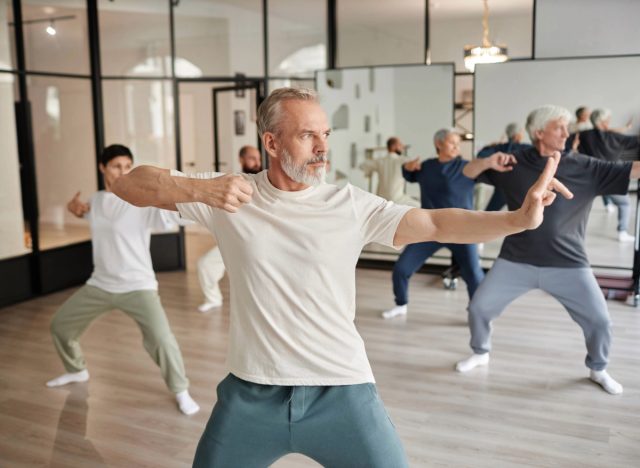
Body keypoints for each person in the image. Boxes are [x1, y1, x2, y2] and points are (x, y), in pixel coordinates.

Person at [112, 88, 570, 467]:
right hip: (250, 390)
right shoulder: (228, 195)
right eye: (308, 135)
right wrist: (199, 188)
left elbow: (433, 223)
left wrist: (516, 220)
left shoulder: (349, 204)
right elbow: (128, 184)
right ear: (271, 143)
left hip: (342, 388)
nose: (322, 147)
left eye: (325, 134)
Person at [456, 105, 640, 395]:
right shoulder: (512, 162)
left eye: (567, 127)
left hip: (568, 263)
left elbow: (633, 170)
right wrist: (488, 162)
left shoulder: (585, 166)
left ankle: (598, 368)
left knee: (600, 320)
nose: (567, 133)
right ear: (539, 132)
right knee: (478, 308)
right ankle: (480, 352)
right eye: (559, 127)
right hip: (515, 259)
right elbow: (467, 171)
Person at [46, 144, 200, 416]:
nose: (123, 171)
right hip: (101, 284)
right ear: (102, 167)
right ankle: (77, 370)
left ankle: (180, 390)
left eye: (128, 166)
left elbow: (172, 215)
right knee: (61, 326)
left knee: (162, 340)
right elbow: (88, 211)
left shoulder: (141, 202)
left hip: (137, 286)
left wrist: (191, 195)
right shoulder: (97, 200)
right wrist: (76, 209)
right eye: (117, 166)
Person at [381, 129, 516, 320]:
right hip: (429, 230)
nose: (456, 147)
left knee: (473, 275)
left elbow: (487, 169)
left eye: (457, 143)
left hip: (462, 231)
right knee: (402, 269)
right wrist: (408, 167)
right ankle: (401, 304)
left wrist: (494, 156)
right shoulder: (426, 167)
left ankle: (479, 313)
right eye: (452, 142)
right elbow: (409, 175)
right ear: (439, 144)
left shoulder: (466, 167)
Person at [196, 145, 263, 312]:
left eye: (258, 159)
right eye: (252, 158)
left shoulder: (266, 181)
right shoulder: (230, 181)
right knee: (205, 265)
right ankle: (213, 299)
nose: (256, 162)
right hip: (235, 238)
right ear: (241, 160)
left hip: (260, 241)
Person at [568, 108, 640, 241]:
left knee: (581, 205)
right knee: (624, 204)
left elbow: (568, 142)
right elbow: (635, 141)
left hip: (588, 177)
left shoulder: (583, 134)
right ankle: (622, 232)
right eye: (607, 121)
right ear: (603, 122)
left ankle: (607, 205)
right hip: (608, 178)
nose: (609, 122)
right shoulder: (613, 137)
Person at [476, 123, 532, 212]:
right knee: (525, 215)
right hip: (520, 188)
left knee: (489, 214)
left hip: (501, 188)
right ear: (518, 135)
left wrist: (491, 147)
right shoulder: (526, 148)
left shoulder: (498, 147)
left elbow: (481, 155)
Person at [360, 136, 420, 206]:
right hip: (397, 200)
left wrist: (368, 172)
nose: (402, 147)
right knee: (420, 205)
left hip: (381, 200)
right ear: (393, 146)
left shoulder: (380, 161)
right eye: (400, 145)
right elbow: (410, 165)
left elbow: (362, 166)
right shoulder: (402, 160)